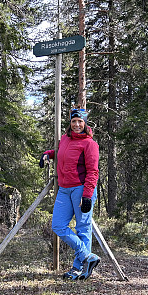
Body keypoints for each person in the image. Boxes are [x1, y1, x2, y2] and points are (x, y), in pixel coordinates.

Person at [39, 107, 100, 280]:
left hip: (81, 189)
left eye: (80, 121)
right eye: (74, 121)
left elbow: (93, 171)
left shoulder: (90, 144)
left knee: (82, 228)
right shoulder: (65, 139)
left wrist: (87, 195)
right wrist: (47, 154)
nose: (77, 124)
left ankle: (78, 269)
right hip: (64, 190)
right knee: (58, 225)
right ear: (70, 122)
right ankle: (87, 256)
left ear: (85, 123)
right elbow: (61, 154)